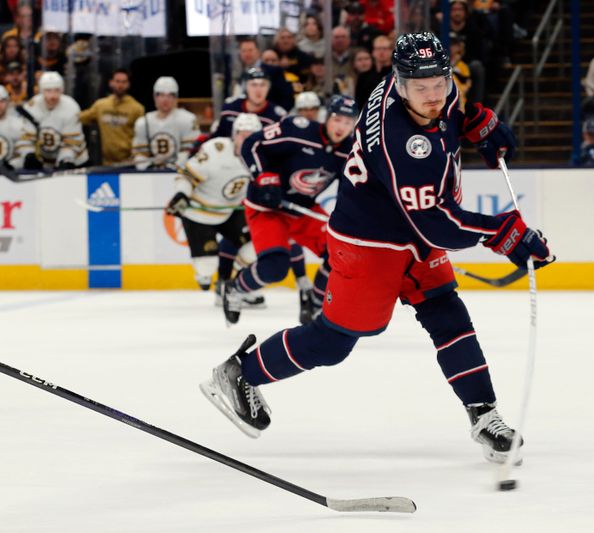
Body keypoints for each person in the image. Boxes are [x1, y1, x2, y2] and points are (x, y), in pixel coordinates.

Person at [201, 33, 553, 465]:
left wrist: (476, 120)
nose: (433, 95)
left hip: (411, 232)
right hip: (369, 242)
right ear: (399, 84)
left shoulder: (427, 87)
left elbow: (450, 113)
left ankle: (484, 415)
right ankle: (240, 372)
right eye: (420, 88)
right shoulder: (401, 142)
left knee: (447, 313)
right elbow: (438, 222)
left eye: (439, 83)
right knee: (334, 342)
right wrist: (505, 234)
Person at [218, 95, 358, 327]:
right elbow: (251, 144)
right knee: (275, 269)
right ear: (327, 117)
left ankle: (314, 304)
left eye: (347, 121)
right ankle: (235, 288)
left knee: (340, 254)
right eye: (337, 119)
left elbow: (350, 190)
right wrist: (263, 176)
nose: (341, 127)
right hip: (267, 208)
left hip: (302, 210)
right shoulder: (296, 128)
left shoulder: (350, 150)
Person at [165, 113, 262, 293]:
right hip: (198, 212)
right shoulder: (215, 150)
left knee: (257, 246)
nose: (247, 140)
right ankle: (203, 274)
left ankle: (231, 284)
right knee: (207, 266)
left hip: (230, 211)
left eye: (252, 136)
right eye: (243, 135)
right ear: (235, 135)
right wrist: (181, 194)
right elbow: (186, 175)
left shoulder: (261, 157)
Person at [22, 71, 88, 170]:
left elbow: (71, 141)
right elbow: (26, 138)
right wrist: (29, 154)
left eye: (56, 90)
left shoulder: (71, 107)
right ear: (41, 90)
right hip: (43, 162)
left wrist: (65, 159)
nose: (52, 96)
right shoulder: (31, 107)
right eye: (48, 90)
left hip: (74, 160)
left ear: (62, 90)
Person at [79, 69, 145, 165]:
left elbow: (142, 137)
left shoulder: (137, 108)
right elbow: (80, 118)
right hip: (106, 163)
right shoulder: (101, 105)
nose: (120, 85)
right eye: (117, 81)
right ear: (111, 83)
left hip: (130, 163)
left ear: (128, 84)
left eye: (124, 82)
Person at [131, 76, 199, 170]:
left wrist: (172, 168)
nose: (165, 100)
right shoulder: (143, 122)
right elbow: (140, 154)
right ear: (155, 97)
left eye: (170, 95)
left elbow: (190, 151)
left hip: (179, 173)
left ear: (176, 97)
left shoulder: (187, 119)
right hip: (151, 173)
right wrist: (147, 169)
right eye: (161, 95)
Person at [215, 68, 286, 138]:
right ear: (245, 87)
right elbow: (219, 135)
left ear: (269, 87)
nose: (258, 90)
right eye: (254, 85)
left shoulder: (277, 116)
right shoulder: (230, 108)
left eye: (263, 85)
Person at [355, 35, 393, 108]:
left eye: (385, 49)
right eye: (378, 49)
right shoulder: (364, 77)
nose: (381, 52)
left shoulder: (396, 75)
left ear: (391, 51)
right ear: (373, 52)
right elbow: (359, 102)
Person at [0, 85, 33, 169]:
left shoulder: (18, 124)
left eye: (2, 101)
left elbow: (24, 151)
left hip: (11, 175)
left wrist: (12, 165)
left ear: (8, 102)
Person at [450, 33, 472, 108]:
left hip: (460, 102)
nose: (452, 47)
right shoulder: (440, 63)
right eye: (450, 44)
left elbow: (467, 85)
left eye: (454, 44)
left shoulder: (462, 66)